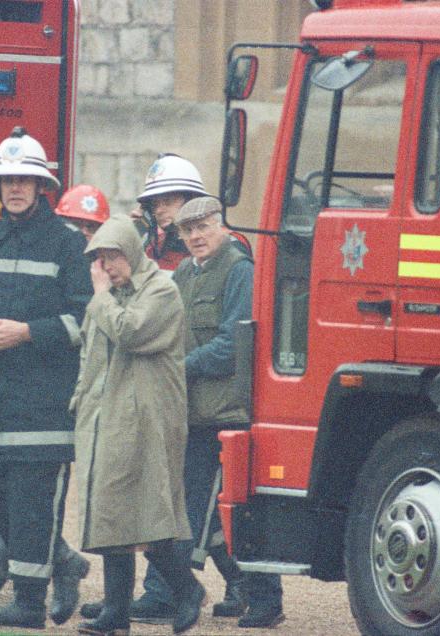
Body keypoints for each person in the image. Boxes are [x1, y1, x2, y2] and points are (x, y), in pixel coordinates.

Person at [0, 127, 93, 629]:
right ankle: (64, 560)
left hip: (45, 403)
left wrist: (27, 332)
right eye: (7, 180)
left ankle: (29, 603)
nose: (15, 188)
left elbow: (84, 320)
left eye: (25, 179)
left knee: (31, 506)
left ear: (42, 184)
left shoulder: (68, 245)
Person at [72, 217, 205, 636]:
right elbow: (90, 354)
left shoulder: (163, 290)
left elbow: (129, 332)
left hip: (148, 420)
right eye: (100, 259)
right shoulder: (108, 296)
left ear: (131, 251)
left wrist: (100, 297)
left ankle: (185, 588)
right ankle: (117, 613)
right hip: (105, 418)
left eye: (112, 256)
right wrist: (79, 400)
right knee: (112, 514)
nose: (107, 266)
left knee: (147, 514)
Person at [172, 196, 284, 628]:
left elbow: (233, 348)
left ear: (221, 226)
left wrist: (177, 370)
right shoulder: (183, 273)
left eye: (203, 226)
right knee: (202, 511)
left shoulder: (240, 270)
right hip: (193, 415)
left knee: (240, 512)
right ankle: (238, 589)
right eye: (188, 230)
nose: (196, 236)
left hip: (229, 416)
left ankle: (266, 601)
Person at [133, 154, 210, 271]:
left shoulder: (224, 245)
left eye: (168, 201)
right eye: (154, 205)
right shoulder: (152, 248)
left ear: (192, 200)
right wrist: (134, 233)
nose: (158, 211)